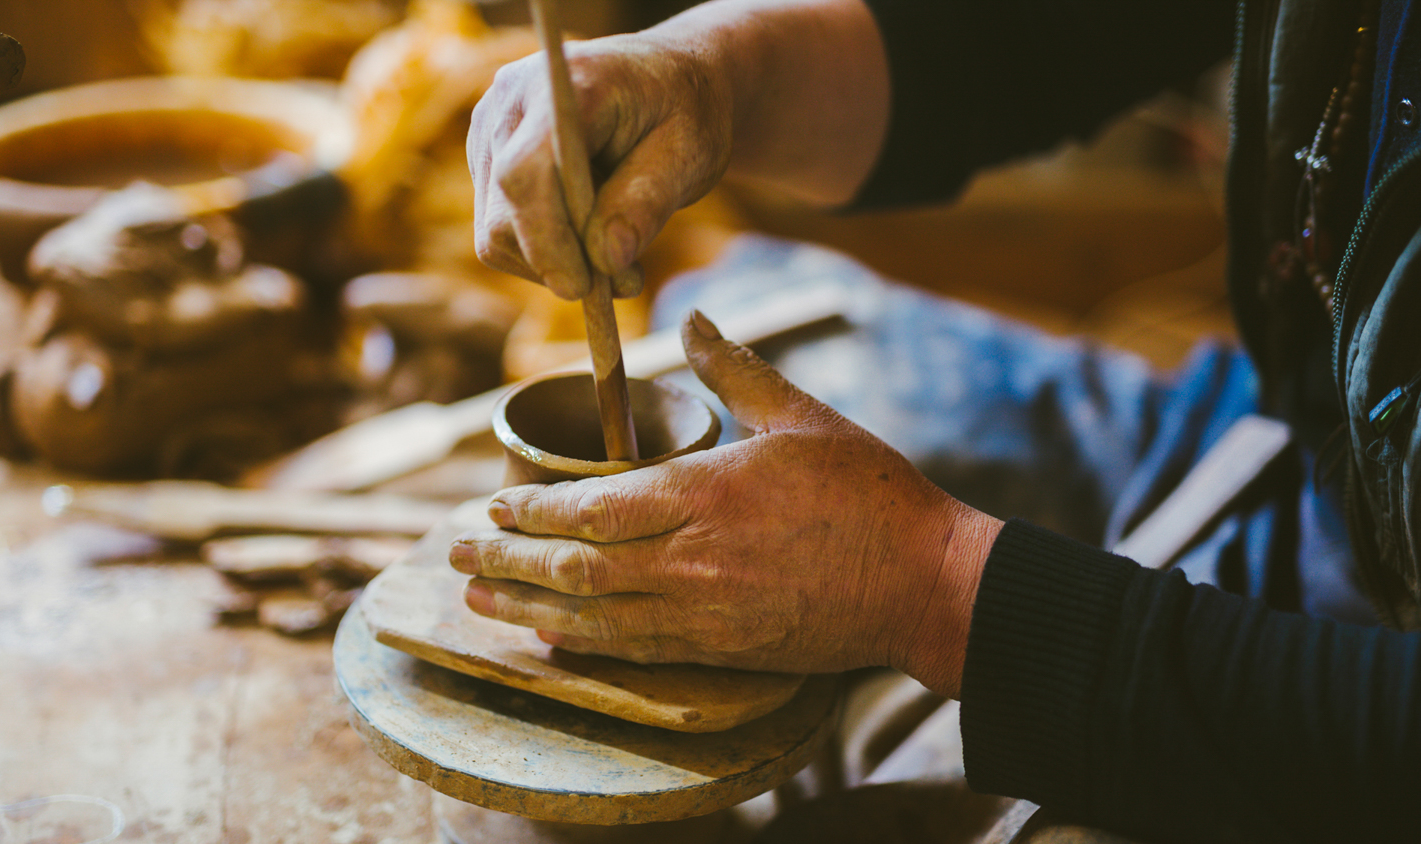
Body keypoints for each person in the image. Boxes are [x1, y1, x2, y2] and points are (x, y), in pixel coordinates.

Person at [456, 1, 1421, 841]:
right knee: (752, 298)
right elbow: (1017, 35)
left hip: (1356, 699)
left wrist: (930, 588)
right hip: (1290, 429)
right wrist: (716, 70)